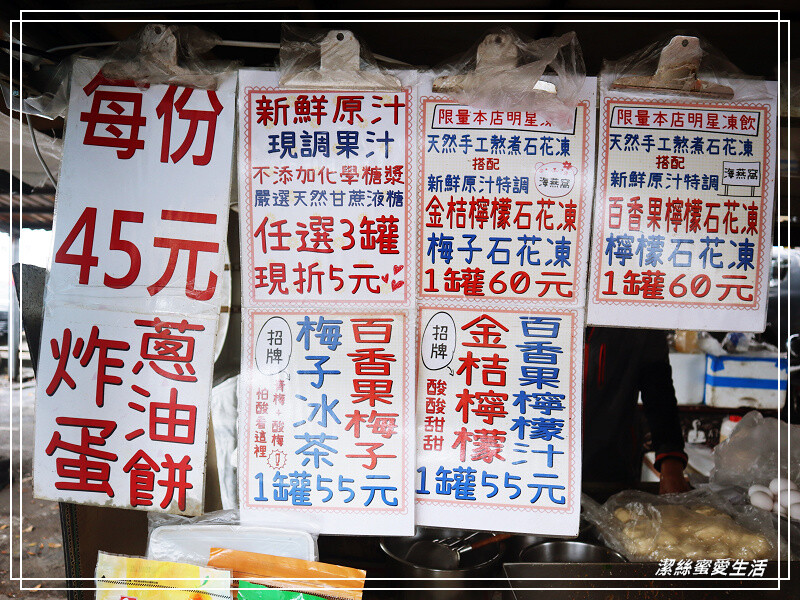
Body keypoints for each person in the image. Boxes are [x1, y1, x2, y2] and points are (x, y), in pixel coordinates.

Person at [582, 326, 689, 494]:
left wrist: (671, 464)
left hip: (612, 468)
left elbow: (659, 393)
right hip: (540, 464)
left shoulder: (639, 320)